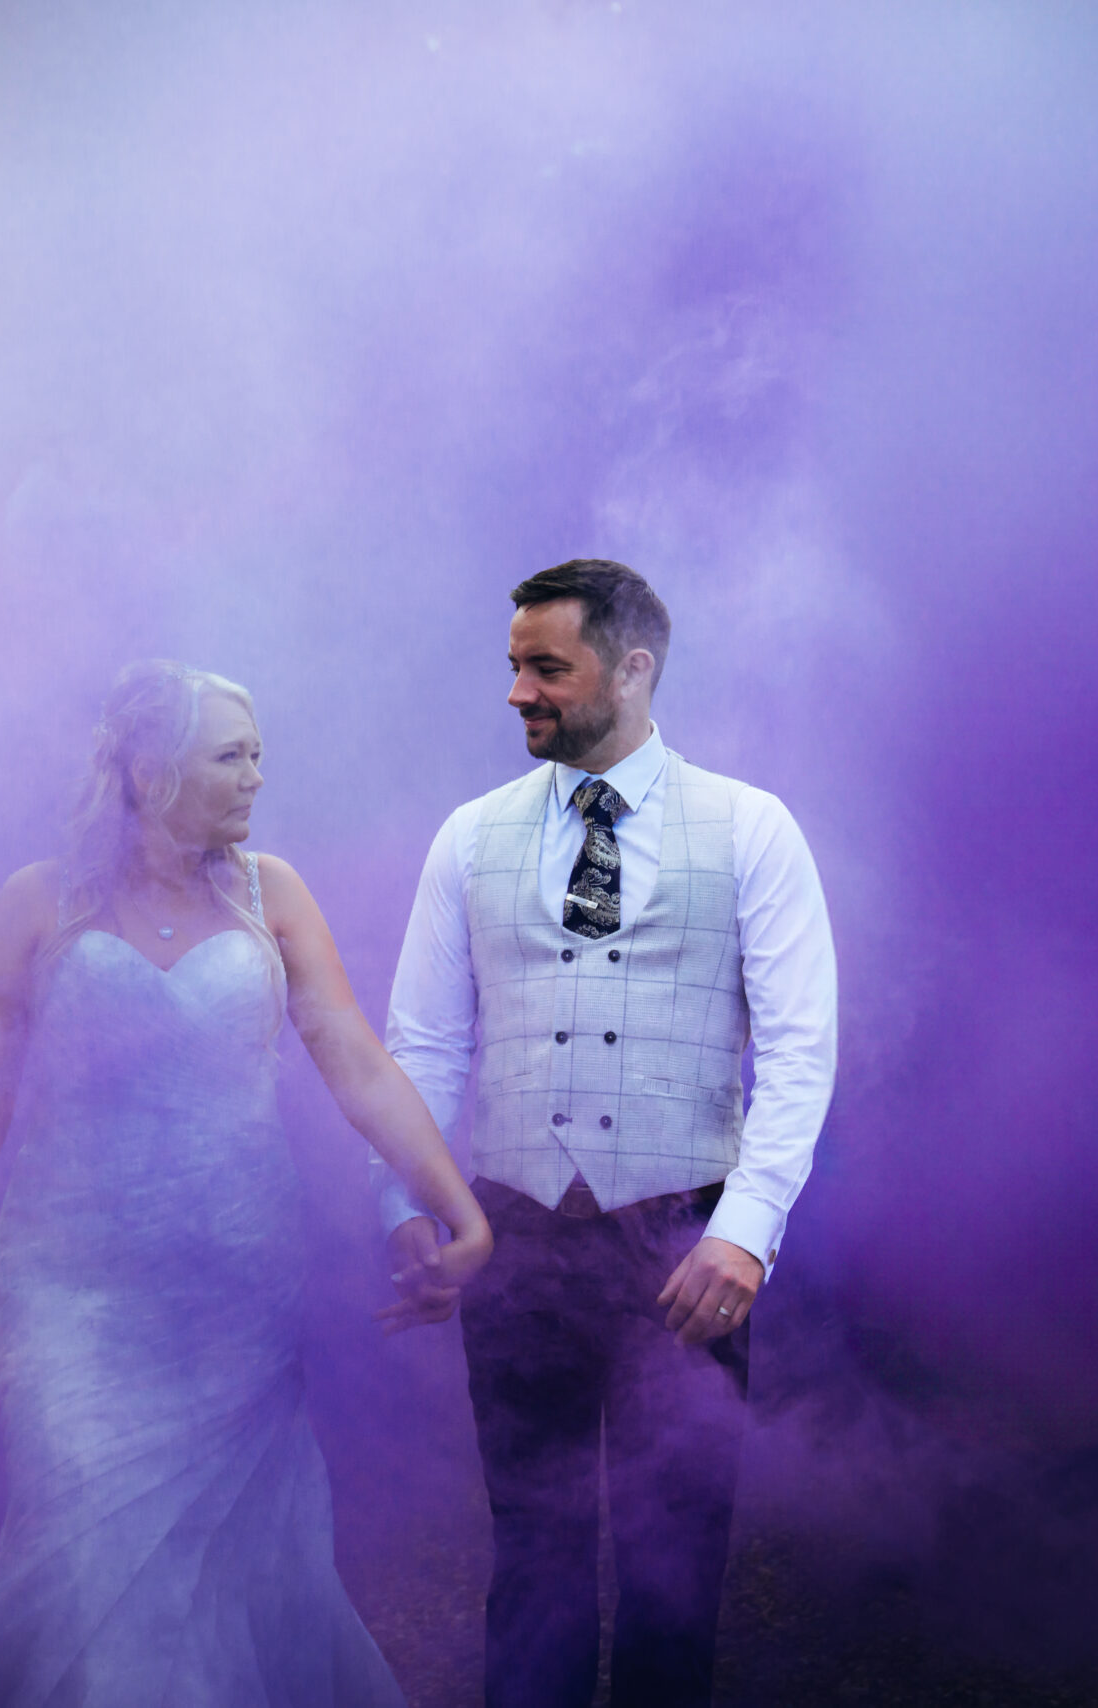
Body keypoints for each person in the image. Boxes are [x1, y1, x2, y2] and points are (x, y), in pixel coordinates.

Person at [0, 659, 493, 1708]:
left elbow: (355, 1061)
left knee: (238, 1567)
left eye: (258, 755)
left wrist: (456, 1206)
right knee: (89, 1558)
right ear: (150, 771)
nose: (256, 777)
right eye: (230, 756)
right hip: (74, 1296)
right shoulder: (37, 904)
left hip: (236, 1296)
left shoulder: (272, 894)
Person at [372, 560, 838, 1707]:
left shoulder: (751, 828)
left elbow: (797, 1049)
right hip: (514, 1234)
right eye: (513, 666)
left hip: (683, 1243)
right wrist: (408, 1201)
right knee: (533, 1554)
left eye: (546, 667)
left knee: (674, 1565)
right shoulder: (468, 836)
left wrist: (745, 1232)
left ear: (631, 669)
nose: (517, 693)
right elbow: (422, 1044)